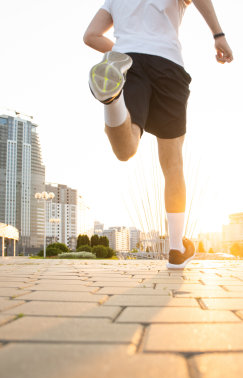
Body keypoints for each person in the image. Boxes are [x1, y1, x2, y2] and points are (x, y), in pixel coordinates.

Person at [84, 0, 233, 269]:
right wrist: (218, 35)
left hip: (129, 63)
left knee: (126, 150)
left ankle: (113, 99)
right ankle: (176, 248)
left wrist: (121, 52)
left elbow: (91, 36)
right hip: (168, 64)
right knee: (173, 163)